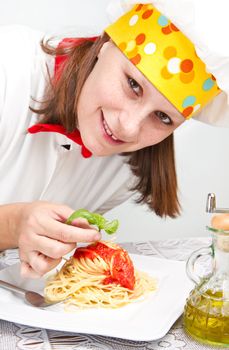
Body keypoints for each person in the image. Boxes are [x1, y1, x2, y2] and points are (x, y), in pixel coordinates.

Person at [0, 0, 228, 278]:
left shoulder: (129, 169)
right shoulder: (8, 68)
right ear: (105, 43)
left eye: (163, 117)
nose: (129, 128)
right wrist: (11, 225)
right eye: (133, 85)